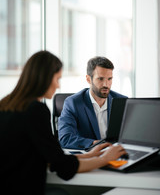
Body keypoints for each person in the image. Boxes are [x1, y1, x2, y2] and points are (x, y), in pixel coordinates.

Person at [0, 51, 127, 195]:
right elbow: (63, 166)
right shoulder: (36, 110)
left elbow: (49, 156)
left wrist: (90, 155)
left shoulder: (6, 104)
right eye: (57, 79)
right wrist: (105, 158)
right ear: (44, 79)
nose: (58, 86)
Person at [58, 56, 128, 150]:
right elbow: (65, 138)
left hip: (116, 154)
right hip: (90, 156)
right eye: (100, 79)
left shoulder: (122, 101)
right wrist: (96, 144)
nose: (106, 85)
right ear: (88, 79)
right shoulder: (73, 103)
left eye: (109, 79)